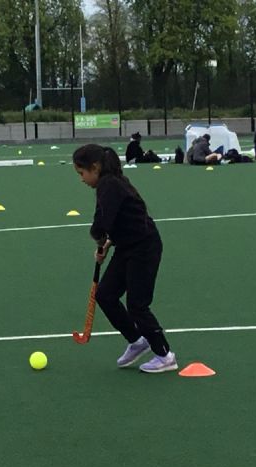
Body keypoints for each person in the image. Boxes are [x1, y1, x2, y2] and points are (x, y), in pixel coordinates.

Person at [72, 143, 177, 373]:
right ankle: (137, 341)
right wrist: (106, 244)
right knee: (105, 294)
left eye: (82, 173)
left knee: (137, 305)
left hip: (144, 247)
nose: (81, 179)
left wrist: (100, 240)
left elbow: (102, 223)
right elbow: (117, 219)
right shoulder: (107, 184)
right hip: (127, 246)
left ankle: (165, 355)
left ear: (95, 167)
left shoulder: (110, 185)